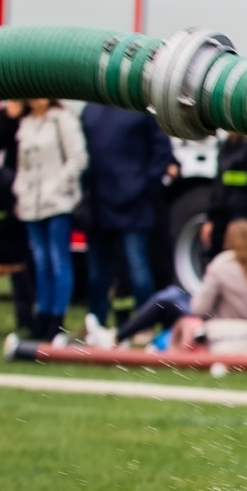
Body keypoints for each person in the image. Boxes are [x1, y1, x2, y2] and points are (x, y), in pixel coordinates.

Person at [90, 219, 247, 350]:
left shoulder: (222, 265)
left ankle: (117, 336)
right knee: (172, 298)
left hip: (222, 327)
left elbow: (198, 309)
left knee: (169, 297)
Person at [79, 103, 176, 327]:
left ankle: (143, 324)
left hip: (133, 204)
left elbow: (162, 151)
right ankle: (96, 324)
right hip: (98, 205)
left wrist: (144, 187)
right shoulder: (90, 110)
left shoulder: (141, 109)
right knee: (97, 274)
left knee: (137, 269)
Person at [12, 98, 88, 342]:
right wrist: (20, 191)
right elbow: (23, 165)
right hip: (32, 204)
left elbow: (78, 159)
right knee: (40, 260)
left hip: (56, 203)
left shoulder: (62, 120)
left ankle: (57, 316)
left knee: (58, 259)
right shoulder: (26, 123)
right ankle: (42, 313)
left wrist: (56, 187)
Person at [0, 101, 35, 335]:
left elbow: (14, 219)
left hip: (10, 242)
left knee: (23, 269)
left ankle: (27, 324)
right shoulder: (6, 116)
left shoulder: (7, 182)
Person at [200, 132, 247, 260]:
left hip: (244, 219)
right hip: (222, 219)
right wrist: (211, 220)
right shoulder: (224, 147)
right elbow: (217, 188)